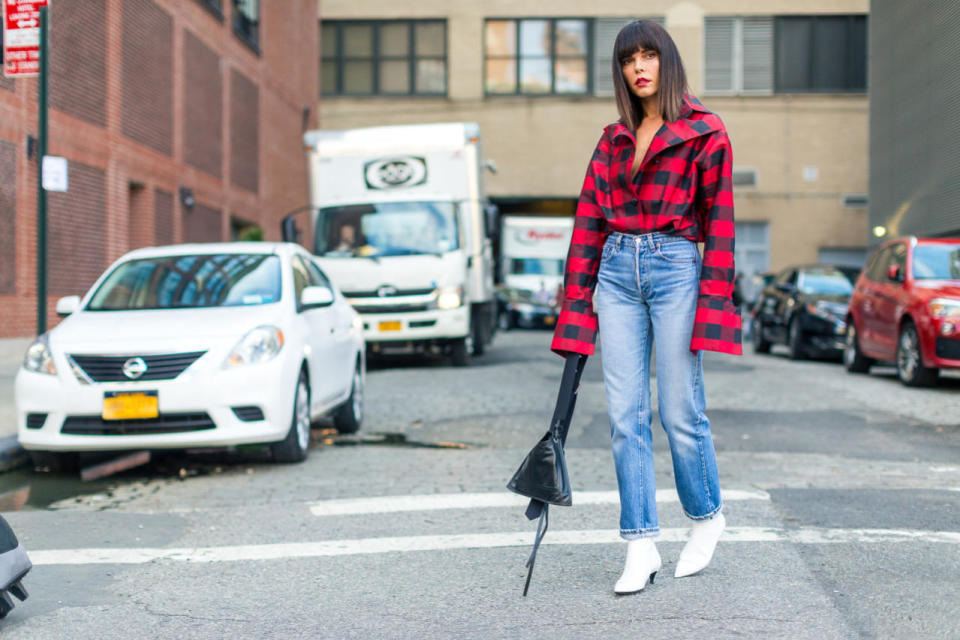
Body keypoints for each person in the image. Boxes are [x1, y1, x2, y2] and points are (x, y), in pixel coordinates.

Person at [551, 20, 742, 595]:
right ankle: (640, 543)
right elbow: (587, 226)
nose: (639, 66)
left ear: (667, 62)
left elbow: (722, 226)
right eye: (628, 58)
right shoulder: (612, 139)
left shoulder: (705, 131)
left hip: (676, 265)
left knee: (680, 410)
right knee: (624, 416)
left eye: (648, 55)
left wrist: (714, 302)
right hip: (614, 271)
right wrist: (575, 308)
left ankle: (707, 518)